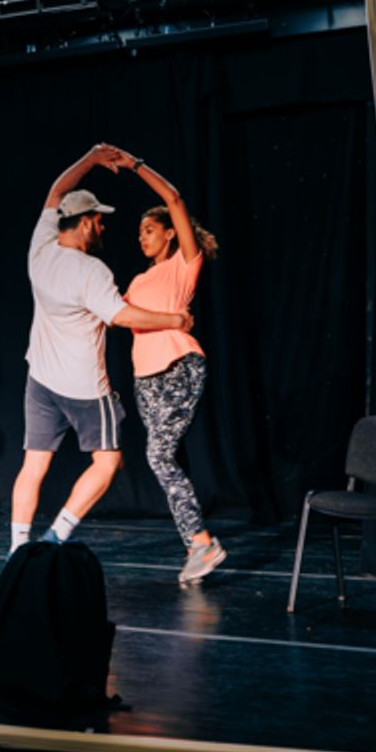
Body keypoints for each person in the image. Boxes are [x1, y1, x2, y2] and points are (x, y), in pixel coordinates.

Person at [10, 144, 193, 553]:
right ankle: (56, 536)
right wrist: (175, 320)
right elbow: (122, 317)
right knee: (108, 462)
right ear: (84, 223)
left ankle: (17, 549)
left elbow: (56, 192)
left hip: (39, 380)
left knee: (33, 466)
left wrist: (90, 158)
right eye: (97, 220)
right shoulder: (91, 270)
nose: (103, 227)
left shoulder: (39, 251)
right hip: (85, 389)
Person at [109, 146, 225, 584]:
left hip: (178, 365)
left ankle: (202, 543)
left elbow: (174, 200)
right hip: (144, 378)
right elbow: (116, 314)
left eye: (150, 230)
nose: (143, 237)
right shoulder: (138, 280)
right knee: (164, 457)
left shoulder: (183, 266)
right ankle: (196, 544)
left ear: (170, 236)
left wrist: (135, 165)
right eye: (139, 232)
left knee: (157, 454)